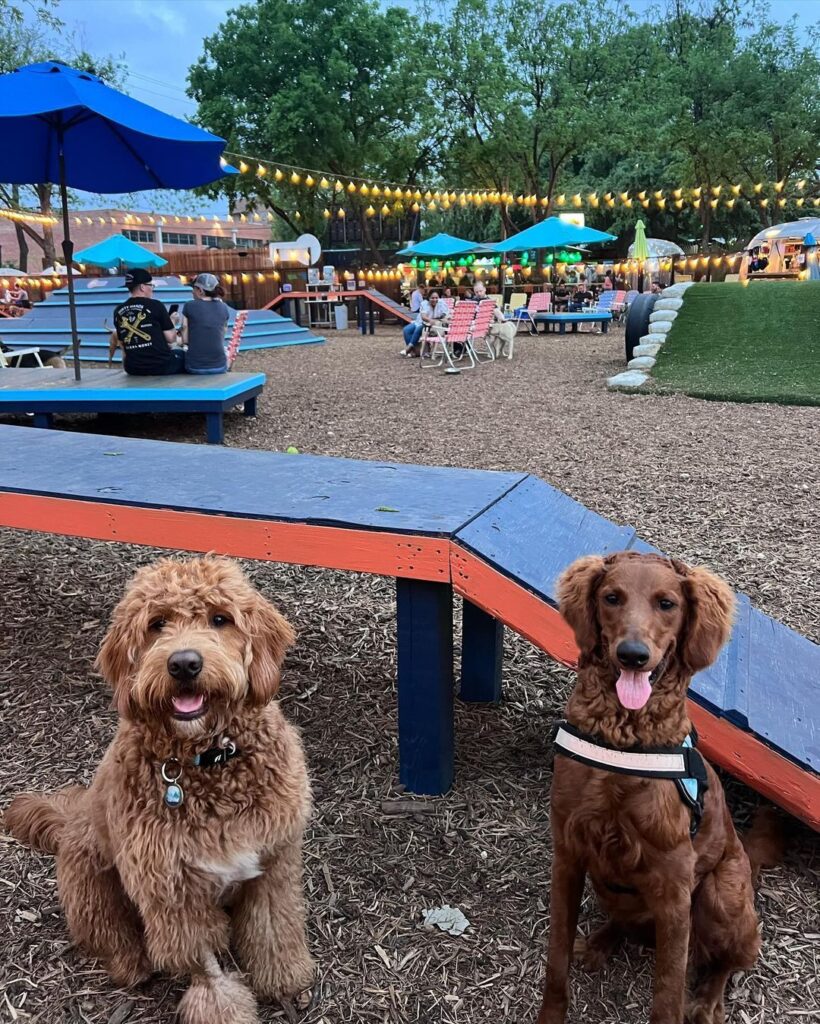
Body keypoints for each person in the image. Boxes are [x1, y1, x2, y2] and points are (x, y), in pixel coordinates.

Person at [110, 268, 183, 375]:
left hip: (133, 368)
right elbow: (171, 339)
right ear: (142, 287)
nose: (152, 289)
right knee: (184, 355)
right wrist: (172, 321)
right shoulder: (156, 305)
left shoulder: (118, 310)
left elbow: (123, 344)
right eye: (151, 285)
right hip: (161, 365)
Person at [181, 273, 231, 374]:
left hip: (194, 367)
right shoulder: (224, 307)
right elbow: (222, 335)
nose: (192, 292)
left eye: (194, 288)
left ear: (200, 291)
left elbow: (185, 338)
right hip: (220, 366)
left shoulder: (189, 305)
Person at [401, 290, 449, 356]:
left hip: (434, 324)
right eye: (432, 298)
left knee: (418, 329)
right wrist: (430, 320)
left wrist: (436, 319)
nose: (434, 299)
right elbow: (424, 317)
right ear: (428, 298)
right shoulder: (424, 303)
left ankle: (409, 348)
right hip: (421, 321)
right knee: (406, 329)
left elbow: (444, 315)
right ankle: (413, 351)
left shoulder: (441, 303)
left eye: (436, 298)